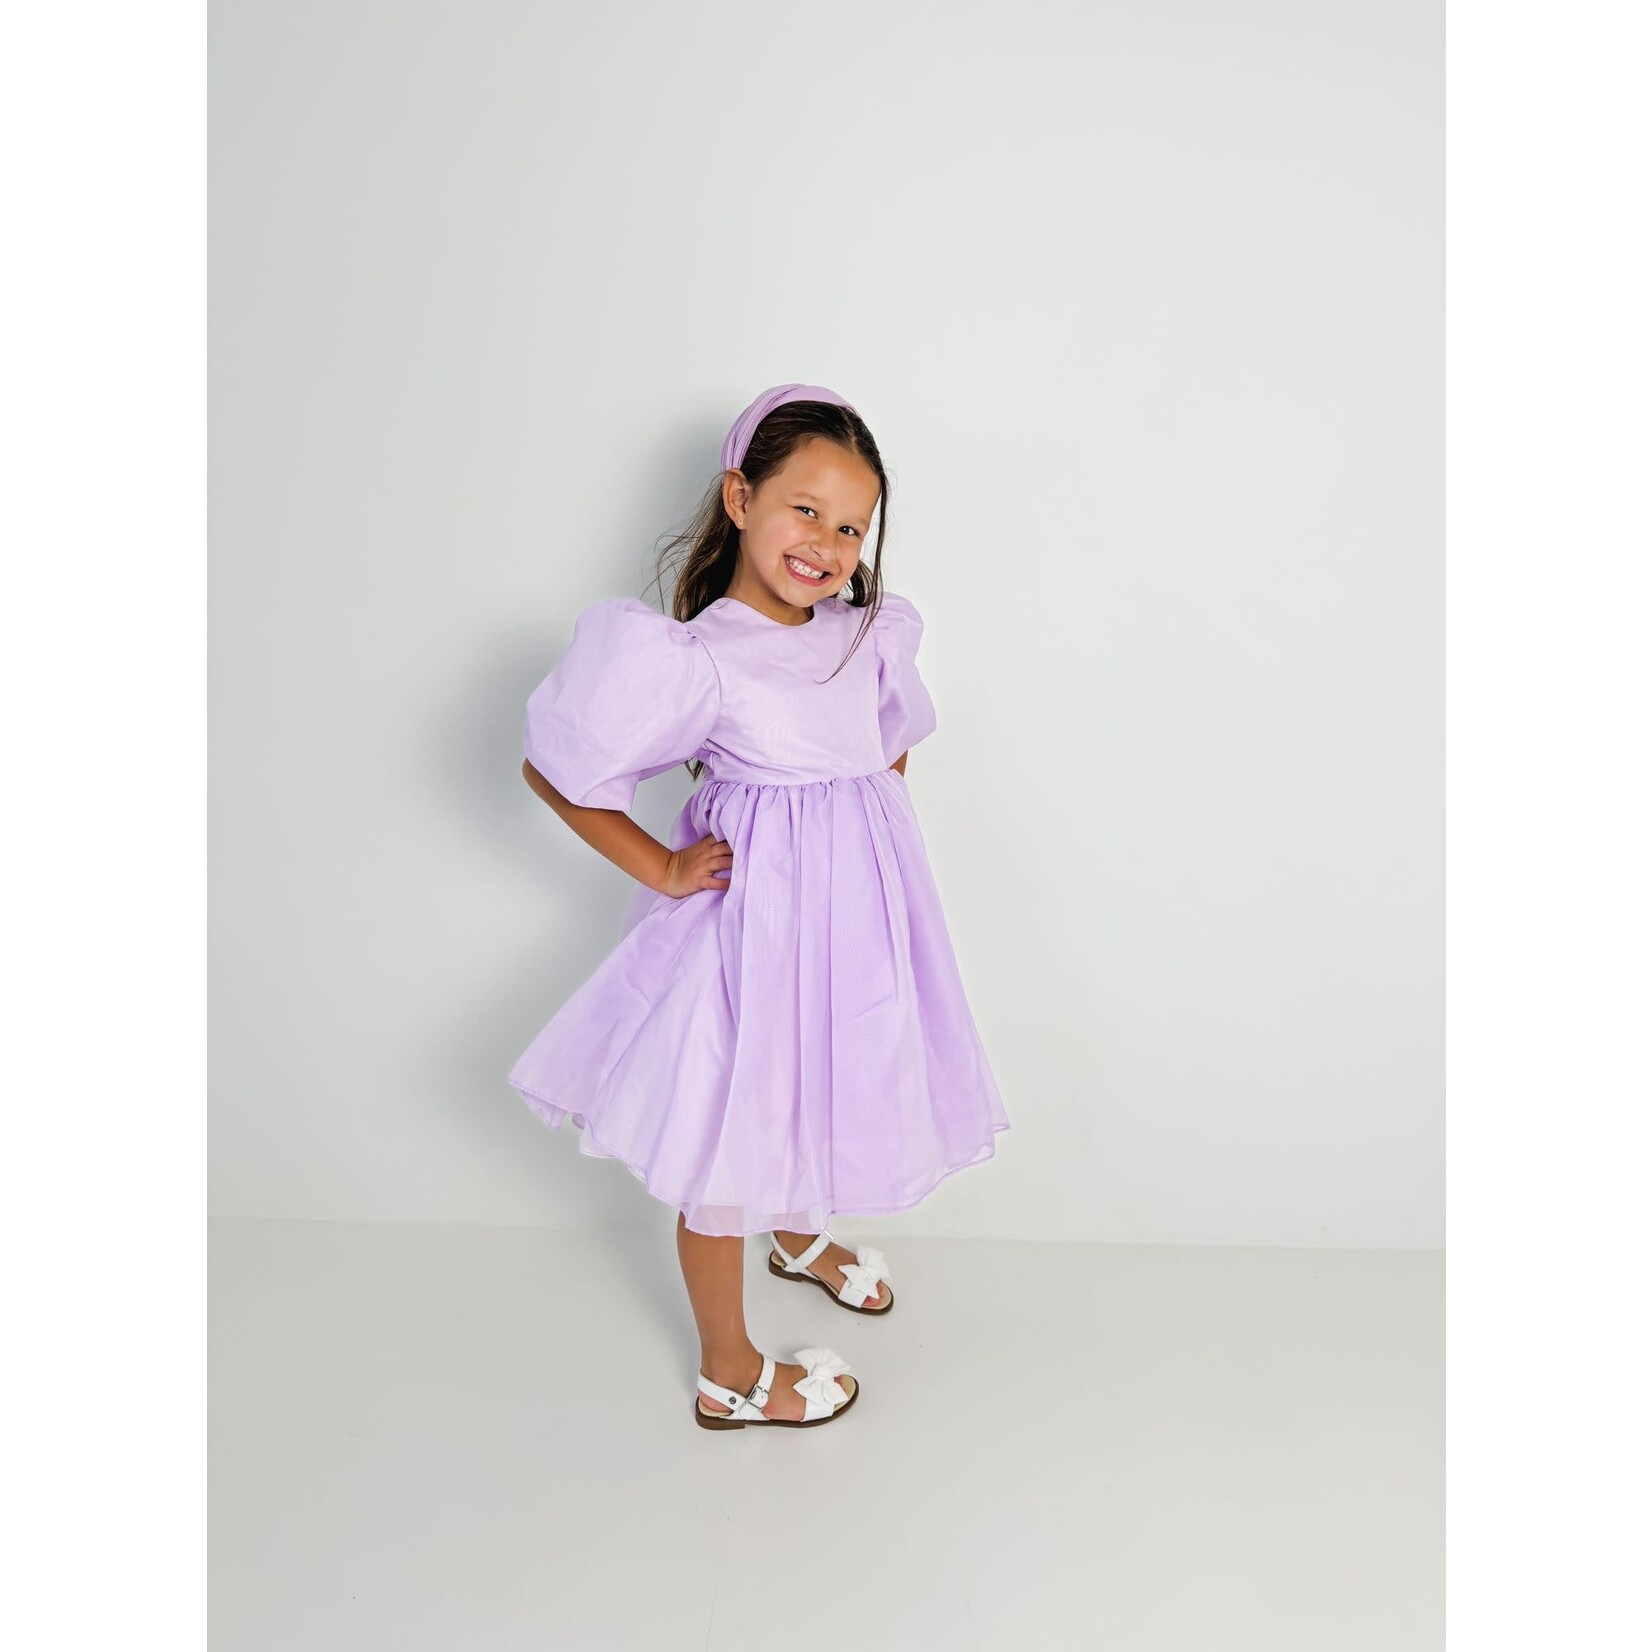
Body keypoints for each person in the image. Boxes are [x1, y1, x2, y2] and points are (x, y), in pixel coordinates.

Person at [509, 383, 1009, 1430]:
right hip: (750, 934)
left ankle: (793, 1232)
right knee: (732, 1125)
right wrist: (661, 866)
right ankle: (728, 1370)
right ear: (740, 499)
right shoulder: (697, 659)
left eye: (851, 526)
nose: (827, 543)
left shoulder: (860, 634)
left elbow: (884, 741)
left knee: (827, 1069)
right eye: (805, 509)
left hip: (853, 924)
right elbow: (559, 770)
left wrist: (860, 837)